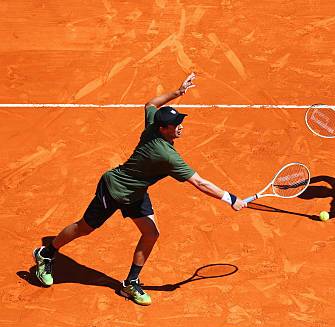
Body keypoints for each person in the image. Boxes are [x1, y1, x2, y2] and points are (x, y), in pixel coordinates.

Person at [33, 72, 247, 305]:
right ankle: (46, 254)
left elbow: (151, 104)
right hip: (115, 189)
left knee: (151, 233)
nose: (180, 127)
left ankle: (130, 284)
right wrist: (230, 198)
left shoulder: (152, 126)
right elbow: (200, 182)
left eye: (180, 123)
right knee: (84, 228)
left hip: (135, 192)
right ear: (163, 129)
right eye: (176, 125)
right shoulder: (167, 156)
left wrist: (178, 92)